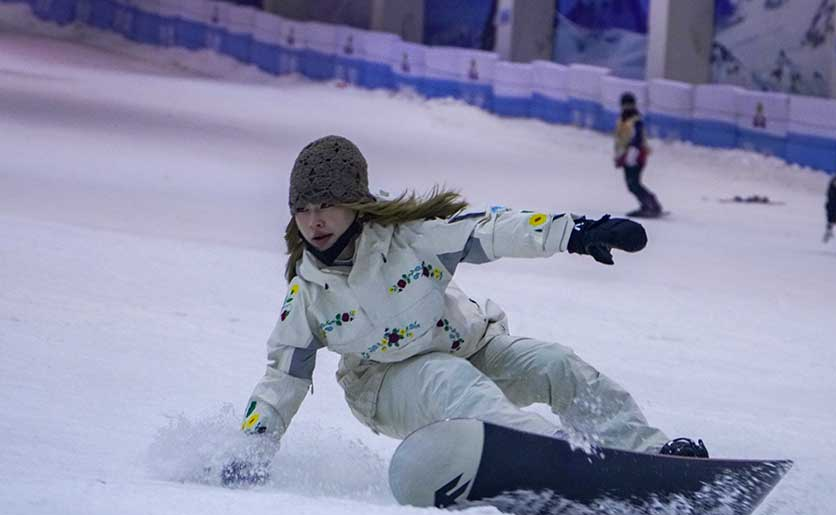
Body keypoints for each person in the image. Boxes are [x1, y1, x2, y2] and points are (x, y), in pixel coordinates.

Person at [223, 135, 708, 487]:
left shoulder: (412, 237)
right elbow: (282, 377)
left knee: (556, 364)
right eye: (302, 209)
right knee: (448, 381)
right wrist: (251, 451)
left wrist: (576, 232)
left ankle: (648, 456)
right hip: (383, 385)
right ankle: (556, 460)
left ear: (356, 202)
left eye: (326, 204)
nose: (314, 221)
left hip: (469, 346)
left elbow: (491, 229)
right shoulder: (308, 291)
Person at [614, 92, 662, 218]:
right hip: (626, 156)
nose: (627, 107)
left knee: (633, 183)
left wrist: (632, 153)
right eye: (625, 105)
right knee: (631, 184)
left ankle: (651, 204)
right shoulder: (623, 119)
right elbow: (620, 138)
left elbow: (637, 138)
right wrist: (619, 155)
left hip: (636, 156)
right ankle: (648, 204)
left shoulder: (636, 120)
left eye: (629, 105)